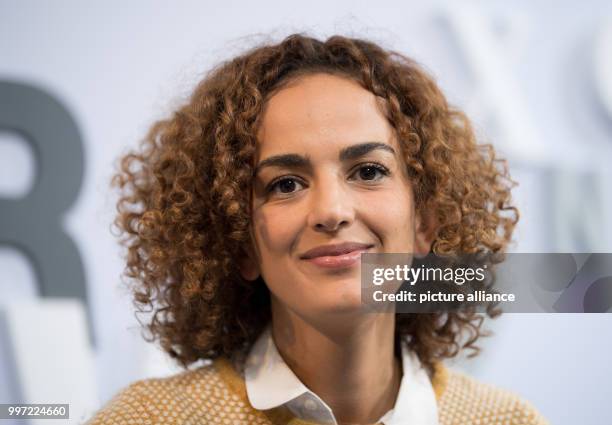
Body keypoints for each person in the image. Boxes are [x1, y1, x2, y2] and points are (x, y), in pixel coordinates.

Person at [86, 33, 548, 425]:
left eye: (368, 171)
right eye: (286, 184)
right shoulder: (148, 418)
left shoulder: (506, 419)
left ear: (426, 220)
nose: (331, 210)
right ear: (238, 241)